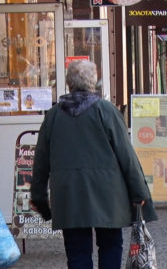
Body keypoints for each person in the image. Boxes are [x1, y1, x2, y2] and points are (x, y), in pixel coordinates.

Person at [30, 60, 157, 269]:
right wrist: (139, 192)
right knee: (110, 245)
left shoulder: (53, 116)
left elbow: (41, 160)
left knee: (77, 251)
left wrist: (38, 195)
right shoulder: (106, 110)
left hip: (69, 194)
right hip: (107, 194)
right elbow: (126, 155)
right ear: (93, 82)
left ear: (69, 83)